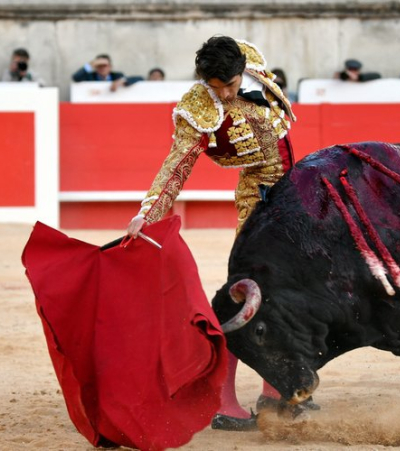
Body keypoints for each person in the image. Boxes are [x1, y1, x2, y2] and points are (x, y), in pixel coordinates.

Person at [125, 36, 306, 431]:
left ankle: (278, 392)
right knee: (252, 292)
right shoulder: (197, 109)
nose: (223, 93)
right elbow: (176, 166)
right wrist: (148, 213)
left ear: (242, 71)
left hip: (296, 187)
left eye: (230, 84)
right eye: (215, 86)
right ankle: (224, 401)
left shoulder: (252, 60)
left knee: (291, 291)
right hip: (258, 196)